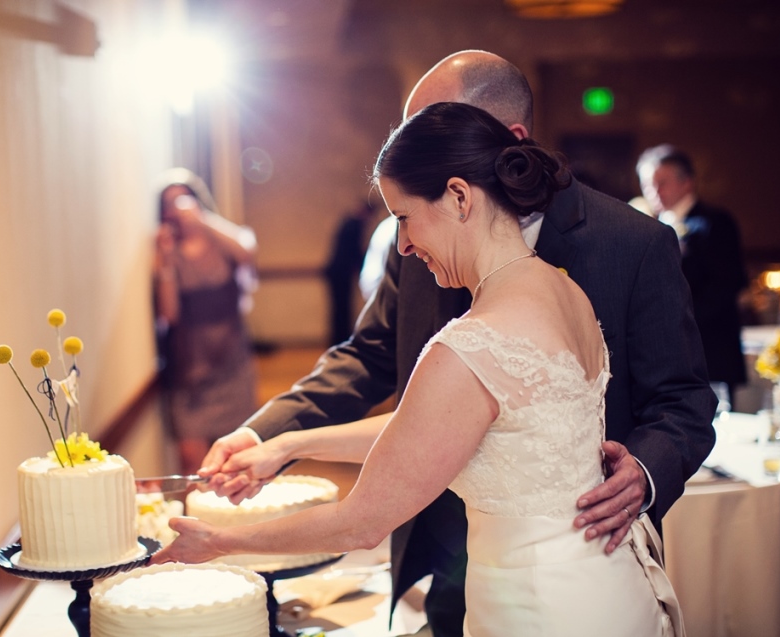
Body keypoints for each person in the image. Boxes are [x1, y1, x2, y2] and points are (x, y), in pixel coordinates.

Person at [197, 51, 716, 637]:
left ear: (483, 164)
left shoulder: (632, 243)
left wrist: (646, 470)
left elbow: (684, 400)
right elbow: (386, 371)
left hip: (563, 572)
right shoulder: (521, 273)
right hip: (467, 557)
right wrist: (274, 437)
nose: (401, 243)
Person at [152, 169, 259, 474]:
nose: (178, 209)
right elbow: (169, 314)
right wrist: (167, 262)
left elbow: (246, 251)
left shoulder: (221, 241)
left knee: (235, 460)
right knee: (193, 465)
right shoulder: (166, 252)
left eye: (183, 199)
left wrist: (202, 220)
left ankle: (233, 521)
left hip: (231, 364)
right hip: (189, 373)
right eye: (170, 204)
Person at [637, 146, 749, 403]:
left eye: (661, 183)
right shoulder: (650, 226)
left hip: (710, 345)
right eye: (647, 185)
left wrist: (677, 321)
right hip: (667, 352)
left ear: (686, 182)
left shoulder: (715, 223)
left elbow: (728, 284)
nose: (654, 193)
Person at [323, 201, 379, 344]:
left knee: (340, 309)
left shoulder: (348, 221)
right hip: (341, 273)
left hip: (337, 272)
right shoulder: (354, 224)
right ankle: (340, 340)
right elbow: (354, 252)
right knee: (342, 309)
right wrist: (365, 269)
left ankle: (339, 340)